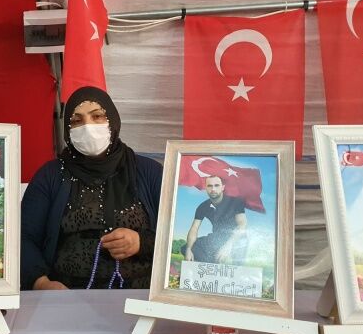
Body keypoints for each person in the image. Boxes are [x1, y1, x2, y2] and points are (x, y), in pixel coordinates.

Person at [21, 86, 163, 290]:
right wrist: (41, 283)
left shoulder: (148, 172)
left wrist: (142, 242)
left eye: (97, 117)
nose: (88, 127)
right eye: (77, 121)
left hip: (140, 296)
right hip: (65, 298)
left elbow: (176, 234)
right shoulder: (50, 175)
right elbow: (24, 237)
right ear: (67, 129)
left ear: (113, 120)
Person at [184, 175, 247, 264]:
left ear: (222, 187)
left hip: (235, 238)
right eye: (210, 186)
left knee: (239, 249)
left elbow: (242, 225)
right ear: (206, 188)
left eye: (216, 185)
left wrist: (228, 246)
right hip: (216, 238)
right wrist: (189, 249)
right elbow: (194, 228)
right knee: (186, 248)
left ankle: (222, 263)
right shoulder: (202, 206)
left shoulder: (235, 202)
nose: (213, 189)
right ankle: (212, 263)